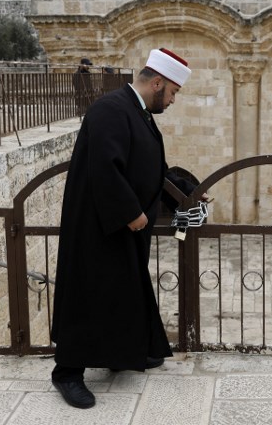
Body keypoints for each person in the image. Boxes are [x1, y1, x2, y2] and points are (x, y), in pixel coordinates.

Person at [50, 48, 200, 409]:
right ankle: (67, 374)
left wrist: (189, 190)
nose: (174, 100)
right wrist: (130, 211)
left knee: (121, 292)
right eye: (174, 92)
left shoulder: (138, 113)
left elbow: (152, 168)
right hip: (98, 228)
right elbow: (104, 167)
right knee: (89, 293)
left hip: (121, 229)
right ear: (158, 82)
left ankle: (123, 353)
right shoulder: (111, 109)